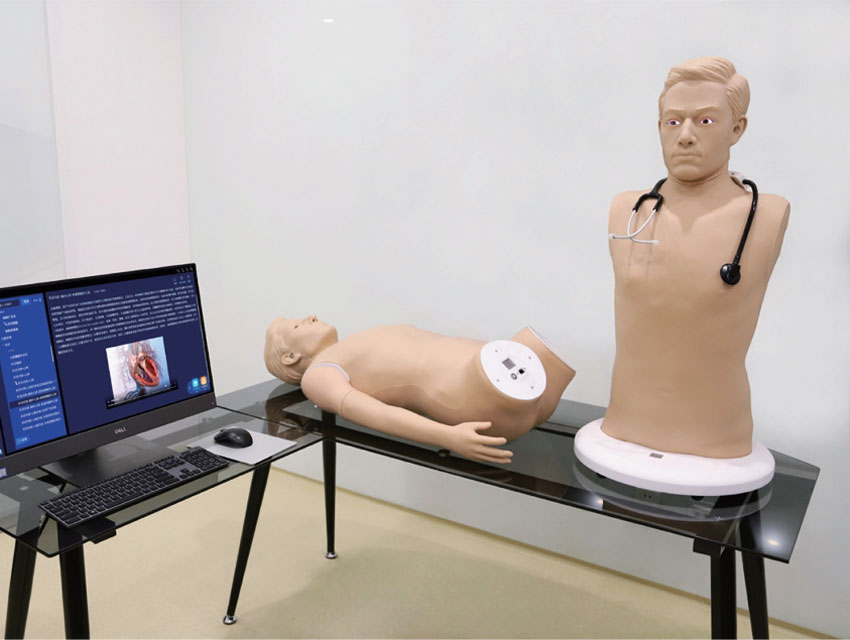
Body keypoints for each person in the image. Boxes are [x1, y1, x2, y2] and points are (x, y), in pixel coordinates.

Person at [603, 57, 790, 458]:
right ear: (659, 127)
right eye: (673, 122)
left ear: (737, 128)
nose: (685, 136)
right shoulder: (628, 212)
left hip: (717, 439)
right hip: (623, 428)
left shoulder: (766, 216)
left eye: (705, 121)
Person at [264, 317, 575, 463]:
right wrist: (447, 437)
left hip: (511, 374)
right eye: (297, 326)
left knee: (537, 345)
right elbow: (377, 415)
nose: (310, 317)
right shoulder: (319, 375)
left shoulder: (349, 348)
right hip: (481, 393)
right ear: (290, 357)